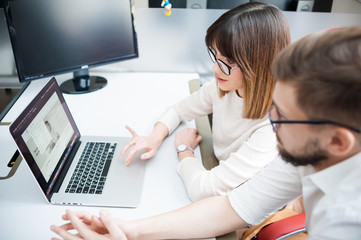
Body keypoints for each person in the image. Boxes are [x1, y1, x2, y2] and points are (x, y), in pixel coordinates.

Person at [51, 27, 361, 240]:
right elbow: (233, 207)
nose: (270, 120)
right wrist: (127, 229)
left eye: (282, 116)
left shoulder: (345, 222)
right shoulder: (311, 148)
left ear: (337, 141)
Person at [121, 2, 290, 201]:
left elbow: (204, 191)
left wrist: (184, 149)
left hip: (244, 204)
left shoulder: (271, 128)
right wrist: (154, 138)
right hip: (221, 181)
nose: (215, 69)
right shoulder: (225, 88)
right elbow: (178, 110)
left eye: (228, 62)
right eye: (216, 56)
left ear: (259, 66)